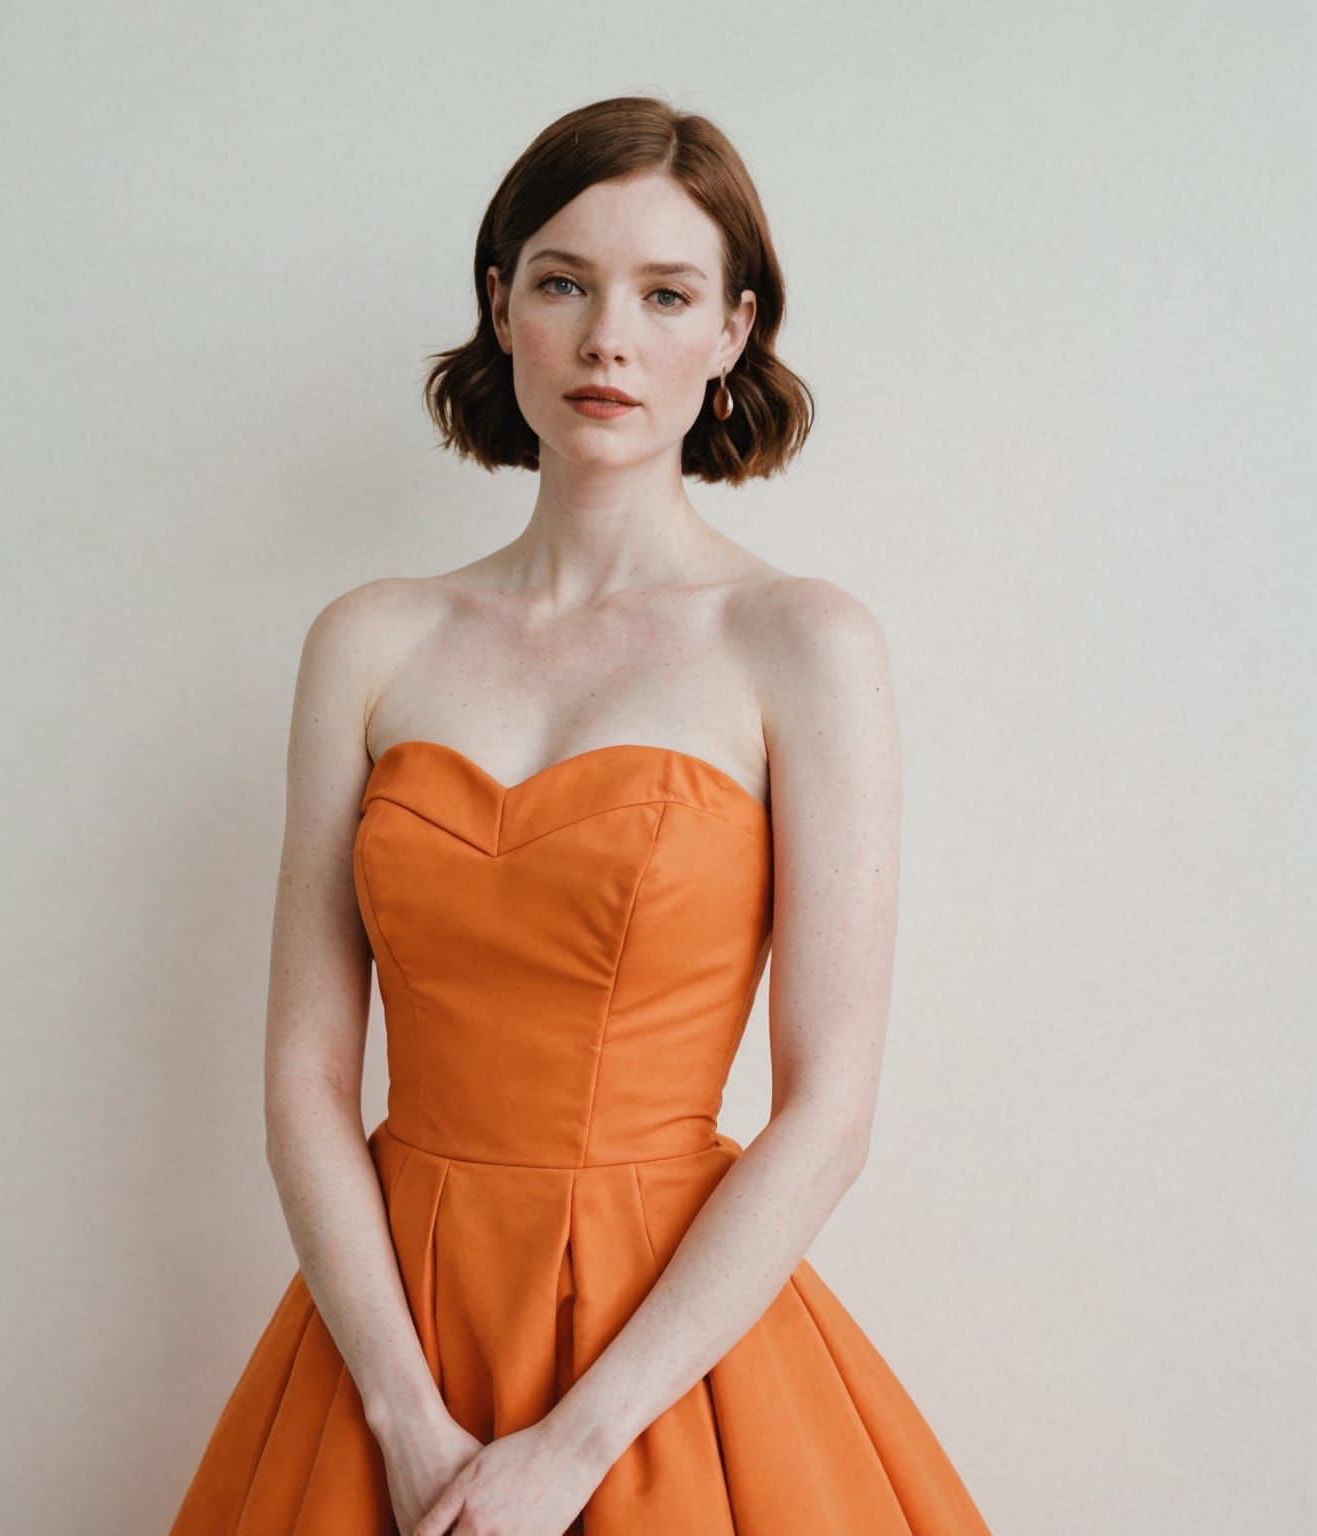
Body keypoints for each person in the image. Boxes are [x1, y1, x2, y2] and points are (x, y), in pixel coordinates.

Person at [169, 94, 991, 1535]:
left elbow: (828, 1114)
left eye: (666, 294)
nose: (610, 338)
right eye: (564, 283)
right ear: (502, 308)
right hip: (388, 1341)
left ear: (733, 330)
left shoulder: (802, 645)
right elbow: (304, 1079)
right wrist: (403, 1420)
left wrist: (574, 1448)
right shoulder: (369, 641)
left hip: (664, 1356)